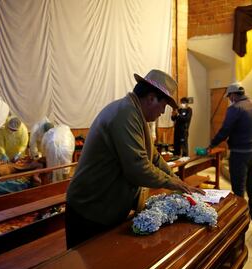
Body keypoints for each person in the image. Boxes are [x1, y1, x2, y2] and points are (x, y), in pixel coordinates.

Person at [66, 69, 205, 248]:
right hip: (90, 210)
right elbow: (138, 169)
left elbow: (153, 156)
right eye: (164, 105)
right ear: (151, 98)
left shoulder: (136, 114)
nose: (163, 112)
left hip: (104, 207)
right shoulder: (126, 114)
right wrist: (174, 184)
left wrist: (177, 180)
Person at [207, 82, 252, 220]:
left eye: (229, 96)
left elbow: (225, 130)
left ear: (232, 94)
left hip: (240, 153)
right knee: (251, 183)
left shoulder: (235, 108)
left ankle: (240, 217)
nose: (229, 99)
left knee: (238, 187)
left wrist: (212, 145)